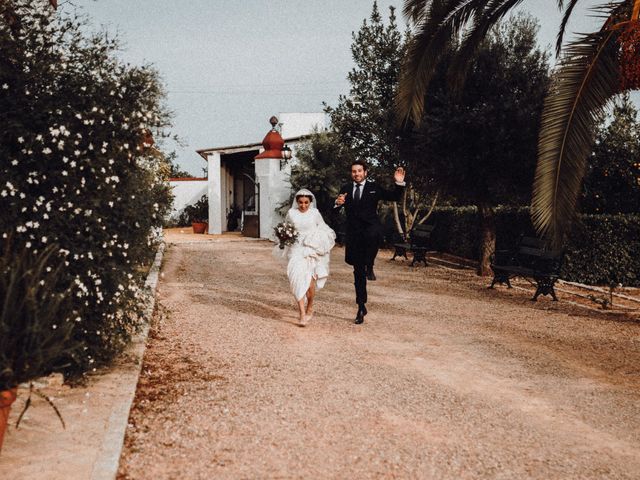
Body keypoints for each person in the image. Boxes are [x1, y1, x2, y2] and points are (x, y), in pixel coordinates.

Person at [335, 161, 405, 324]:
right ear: (351, 173)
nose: (356, 174)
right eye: (354, 171)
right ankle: (361, 306)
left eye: (359, 171)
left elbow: (393, 196)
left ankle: (370, 264)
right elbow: (336, 208)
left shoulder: (374, 187)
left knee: (374, 234)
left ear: (365, 172)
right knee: (358, 273)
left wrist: (399, 182)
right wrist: (337, 203)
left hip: (370, 229)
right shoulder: (345, 188)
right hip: (354, 234)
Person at [278, 189, 336, 326]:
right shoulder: (291, 213)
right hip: (296, 249)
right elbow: (286, 228)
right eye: (300, 202)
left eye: (306, 202)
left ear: (310, 202)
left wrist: (317, 240)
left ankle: (310, 305)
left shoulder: (315, 213)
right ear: (296, 202)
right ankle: (302, 314)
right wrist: (284, 236)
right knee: (296, 279)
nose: (303, 205)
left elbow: (323, 229)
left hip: (311, 249)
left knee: (310, 285)